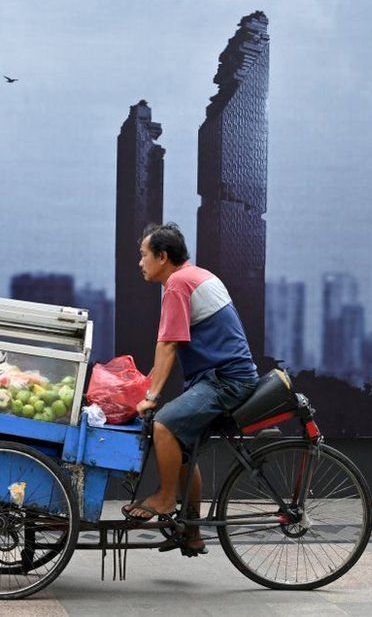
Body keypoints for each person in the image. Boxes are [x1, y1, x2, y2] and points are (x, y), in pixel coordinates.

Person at [122, 223, 259, 556]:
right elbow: (170, 347)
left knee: (165, 425)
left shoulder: (177, 284)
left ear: (162, 256)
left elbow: (168, 345)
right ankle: (192, 532)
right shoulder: (194, 275)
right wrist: (147, 384)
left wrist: (152, 397)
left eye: (143, 255)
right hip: (221, 377)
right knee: (184, 446)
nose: (140, 263)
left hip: (225, 380)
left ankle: (167, 497)